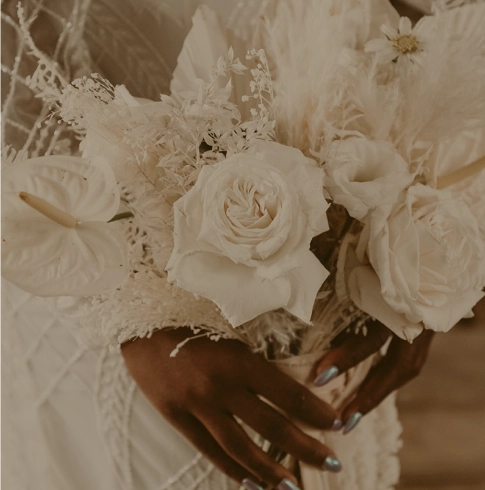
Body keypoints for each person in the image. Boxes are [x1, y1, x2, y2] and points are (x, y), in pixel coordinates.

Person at [0, 0, 465, 489]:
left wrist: (429, 249)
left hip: (350, 259)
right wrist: (133, 319)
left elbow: (437, 24)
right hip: (117, 297)